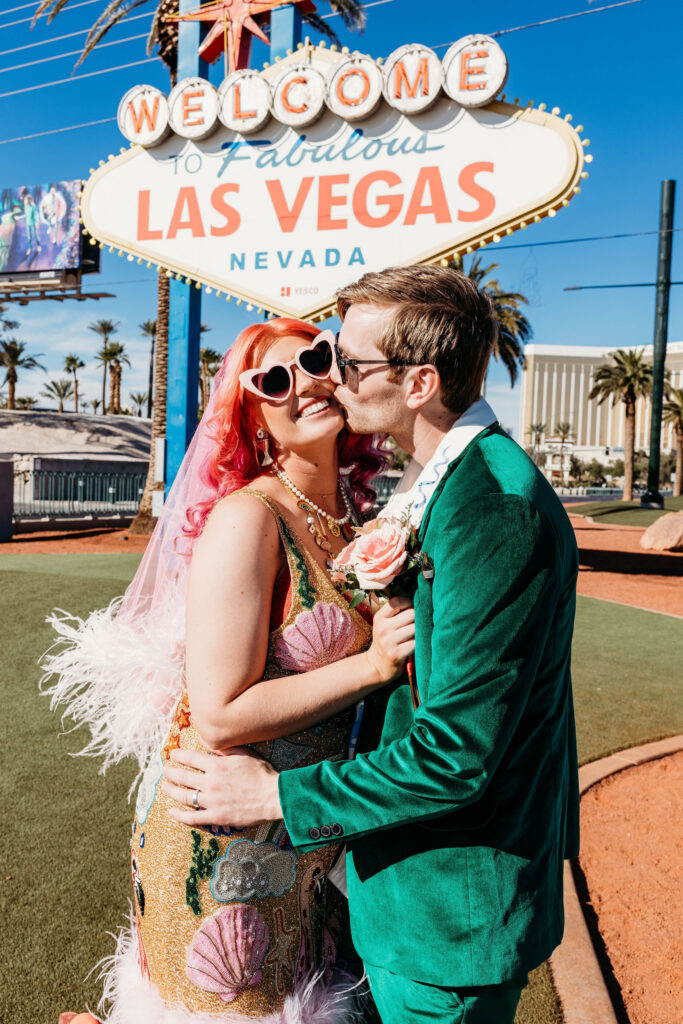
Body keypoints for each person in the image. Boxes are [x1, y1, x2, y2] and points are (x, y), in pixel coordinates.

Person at [163, 265, 581, 1024]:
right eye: (280, 376)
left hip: (439, 904)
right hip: (343, 862)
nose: (327, 379)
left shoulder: (485, 504)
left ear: (418, 382)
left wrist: (277, 796)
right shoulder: (433, 487)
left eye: (340, 361)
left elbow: (454, 751)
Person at [41, 317, 415, 1023]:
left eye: (314, 358)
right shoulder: (249, 519)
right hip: (221, 833)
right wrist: (373, 666)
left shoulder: (352, 523)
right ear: (256, 423)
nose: (302, 382)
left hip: (298, 817)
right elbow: (217, 710)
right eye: (273, 381)